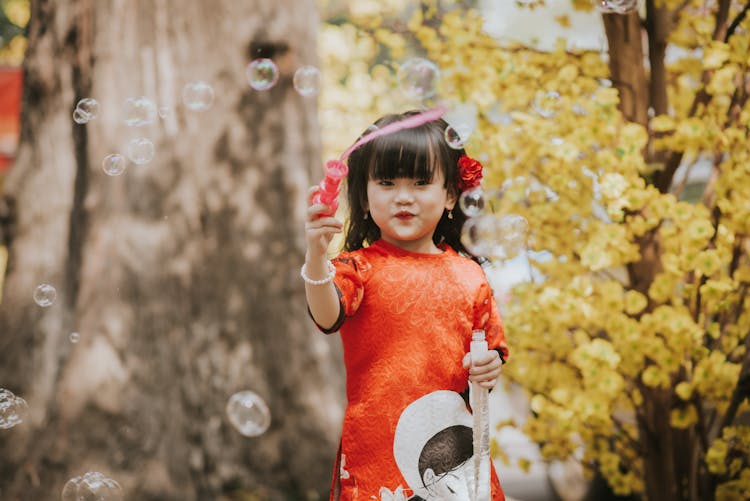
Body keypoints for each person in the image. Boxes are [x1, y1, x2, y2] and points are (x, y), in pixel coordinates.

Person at [302, 110, 509, 500]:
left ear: (450, 194)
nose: (403, 196)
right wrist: (316, 255)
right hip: (375, 452)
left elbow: (491, 351)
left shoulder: (470, 276)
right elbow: (327, 314)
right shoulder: (357, 269)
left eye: (420, 181)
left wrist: (489, 365)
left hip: (454, 457)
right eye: (386, 182)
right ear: (363, 197)